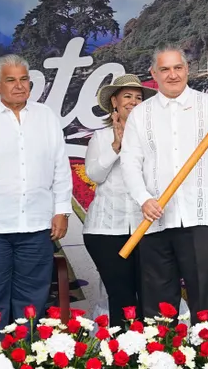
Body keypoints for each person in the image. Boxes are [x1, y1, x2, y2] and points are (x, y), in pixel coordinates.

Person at [121, 46, 208, 319]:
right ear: (153, 74)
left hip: (201, 218)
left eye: (178, 68)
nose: (173, 75)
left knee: (203, 300)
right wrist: (143, 198)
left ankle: (205, 356)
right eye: (165, 69)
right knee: (157, 306)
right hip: (154, 219)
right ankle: (160, 358)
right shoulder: (140, 114)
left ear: (187, 70)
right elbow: (130, 163)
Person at [0, 54, 72, 328]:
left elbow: (60, 167)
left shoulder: (46, 117)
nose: (19, 86)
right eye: (11, 80)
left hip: (36, 226)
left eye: (24, 80)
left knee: (33, 302)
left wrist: (62, 210)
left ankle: (27, 357)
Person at [83, 74, 156, 326]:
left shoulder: (154, 138)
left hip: (146, 227)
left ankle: (151, 356)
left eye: (138, 97)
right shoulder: (100, 138)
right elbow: (95, 175)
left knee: (150, 296)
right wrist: (117, 145)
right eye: (127, 96)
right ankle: (123, 356)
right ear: (114, 101)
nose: (133, 102)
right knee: (122, 297)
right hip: (105, 229)